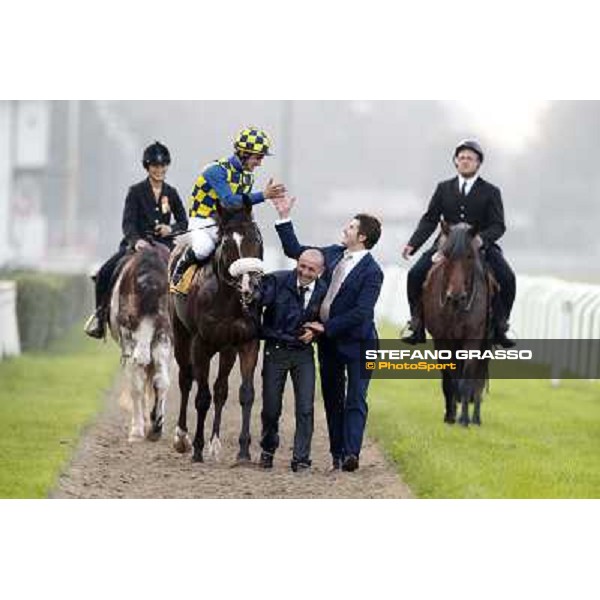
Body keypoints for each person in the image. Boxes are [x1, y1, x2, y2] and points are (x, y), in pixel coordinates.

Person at [273, 197, 383, 473]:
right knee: (333, 399)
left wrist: (327, 326)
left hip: (360, 343)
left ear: (362, 236)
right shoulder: (333, 253)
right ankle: (337, 455)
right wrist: (284, 217)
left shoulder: (373, 272)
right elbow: (296, 251)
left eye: (350, 227)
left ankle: (351, 454)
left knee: (355, 399)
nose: (345, 230)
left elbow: (362, 313)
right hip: (330, 344)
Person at [400, 139, 516, 348]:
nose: (464, 161)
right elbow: (430, 218)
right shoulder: (443, 188)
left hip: (479, 245)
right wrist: (413, 244)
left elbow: (498, 225)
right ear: (455, 162)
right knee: (415, 274)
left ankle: (500, 325)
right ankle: (416, 324)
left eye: (469, 158)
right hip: (447, 245)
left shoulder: (491, 191)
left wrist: (481, 239)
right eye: (461, 158)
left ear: (478, 163)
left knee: (507, 277)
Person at [84, 141, 188, 339]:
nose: (159, 170)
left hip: (164, 245)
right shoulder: (136, 191)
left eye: (162, 165)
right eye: (155, 166)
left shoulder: (171, 193)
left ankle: (186, 317)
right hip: (137, 245)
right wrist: (136, 240)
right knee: (105, 271)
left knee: (188, 271)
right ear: (148, 167)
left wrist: (170, 228)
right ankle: (99, 317)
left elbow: (183, 221)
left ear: (167, 166)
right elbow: (128, 223)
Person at [170, 126, 285, 285]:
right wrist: (263, 195)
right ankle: (181, 266)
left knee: (250, 244)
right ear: (244, 154)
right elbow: (229, 201)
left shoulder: (248, 176)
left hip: (227, 222)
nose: (259, 163)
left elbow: (242, 206)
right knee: (204, 248)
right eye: (257, 158)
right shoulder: (216, 170)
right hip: (203, 220)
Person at [258, 248, 328, 472]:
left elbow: (325, 320)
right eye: (302, 266)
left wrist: (316, 333)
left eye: (311, 269)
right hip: (275, 351)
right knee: (271, 408)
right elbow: (255, 308)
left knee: (306, 408)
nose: (305, 272)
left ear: (321, 271)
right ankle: (268, 449)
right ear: (297, 263)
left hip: (303, 354)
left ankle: (301, 459)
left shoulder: (324, 290)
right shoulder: (276, 280)